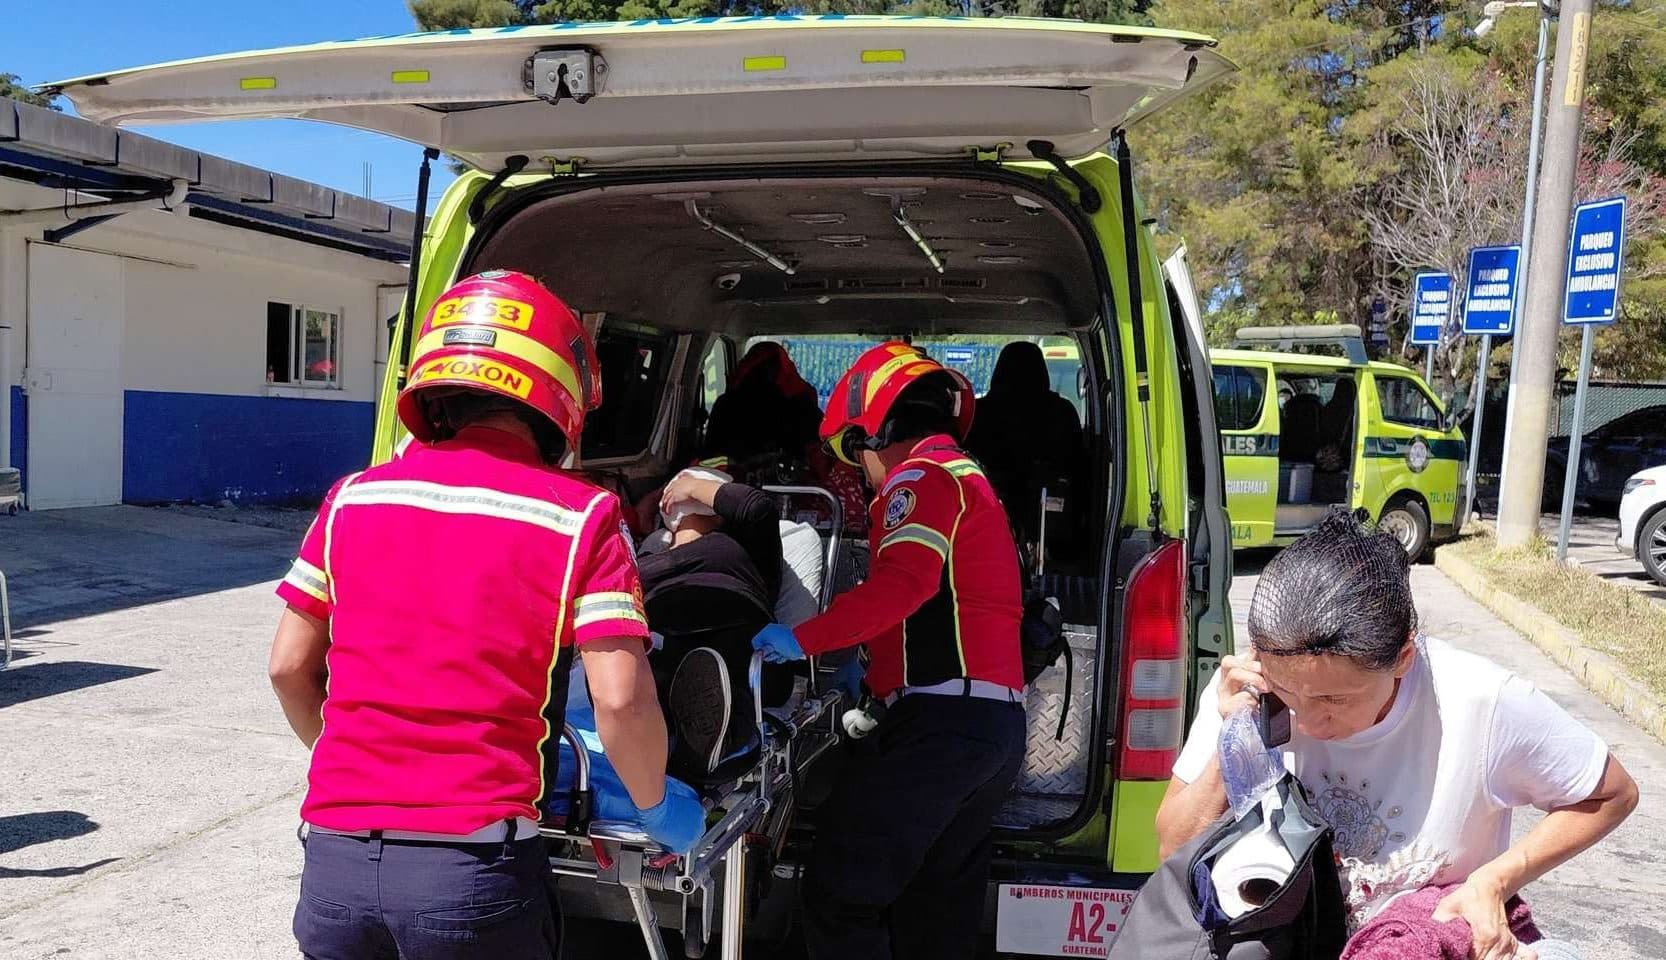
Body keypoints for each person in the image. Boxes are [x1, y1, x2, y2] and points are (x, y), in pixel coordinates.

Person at [267, 270, 703, 960]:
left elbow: (290, 667)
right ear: (562, 396)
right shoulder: (581, 518)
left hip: (335, 870)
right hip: (471, 878)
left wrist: (350, 763)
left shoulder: (351, 499)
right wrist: (654, 806)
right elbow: (619, 700)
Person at [1155, 512, 1639, 959]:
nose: (1306, 721)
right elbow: (1171, 849)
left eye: (1333, 700)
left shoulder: (1481, 702)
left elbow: (1612, 794)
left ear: (1404, 658)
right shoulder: (1250, 691)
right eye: (1290, 692)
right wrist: (1234, 739)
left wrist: (1495, 880)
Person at [750, 341, 1028, 960]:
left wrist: (799, 639)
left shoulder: (921, 478)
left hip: (941, 727)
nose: (861, 472)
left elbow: (902, 587)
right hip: (991, 726)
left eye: (857, 454)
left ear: (876, 429)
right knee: (935, 911)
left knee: (841, 890)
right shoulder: (967, 476)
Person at [638, 466, 793, 780]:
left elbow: (757, 507)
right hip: (660, 644)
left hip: (732, 637)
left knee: (709, 667)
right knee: (639, 660)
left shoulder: (743, 544)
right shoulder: (647, 556)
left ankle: (710, 738)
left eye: (694, 484)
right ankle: (685, 742)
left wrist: (692, 486)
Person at [964, 340, 1087, 556]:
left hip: (983, 523)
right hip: (1052, 528)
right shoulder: (1063, 414)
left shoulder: (978, 415)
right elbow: (1080, 472)